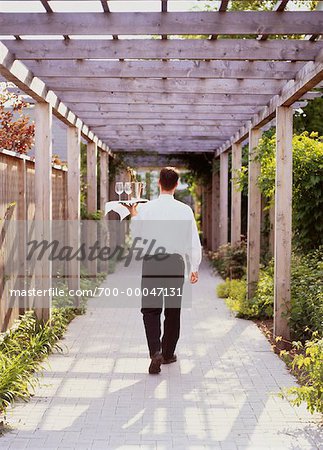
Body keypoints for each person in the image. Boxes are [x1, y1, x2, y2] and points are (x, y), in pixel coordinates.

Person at [127, 167, 202, 374]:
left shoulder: (146, 209)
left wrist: (134, 215)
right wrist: (193, 266)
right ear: (176, 185)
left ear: (159, 183)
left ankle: (155, 351)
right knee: (172, 310)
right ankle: (168, 354)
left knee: (150, 310)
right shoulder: (185, 210)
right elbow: (193, 241)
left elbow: (137, 238)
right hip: (175, 264)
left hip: (152, 262)